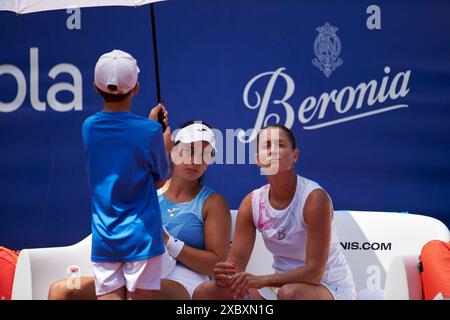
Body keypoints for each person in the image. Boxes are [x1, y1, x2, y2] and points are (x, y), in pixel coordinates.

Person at [48, 120, 231, 300]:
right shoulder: (148, 190)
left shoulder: (213, 203)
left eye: (205, 154)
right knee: (62, 291)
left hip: (188, 279)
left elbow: (216, 264)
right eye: (190, 150)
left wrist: (168, 241)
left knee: (141, 291)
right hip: (141, 269)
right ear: (173, 150)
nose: (195, 160)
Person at [193, 124, 356, 300]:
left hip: (329, 289)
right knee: (206, 292)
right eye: (267, 145)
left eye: (281, 145)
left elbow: (314, 274)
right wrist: (225, 275)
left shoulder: (314, 198)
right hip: (279, 288)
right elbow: (235, 265)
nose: (274, 151)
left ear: (295, 156)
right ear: (257, 159)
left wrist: (262, 280)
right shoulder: (251, 203)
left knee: (290, 294)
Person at [81, 49, 171, 300]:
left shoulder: (88, 127)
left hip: (105, 238)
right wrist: (163, 142)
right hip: (143, 237)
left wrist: (151, 128)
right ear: (137, 88)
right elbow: (161, 179)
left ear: (96, 88)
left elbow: (122, 141)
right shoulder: (150, 132)